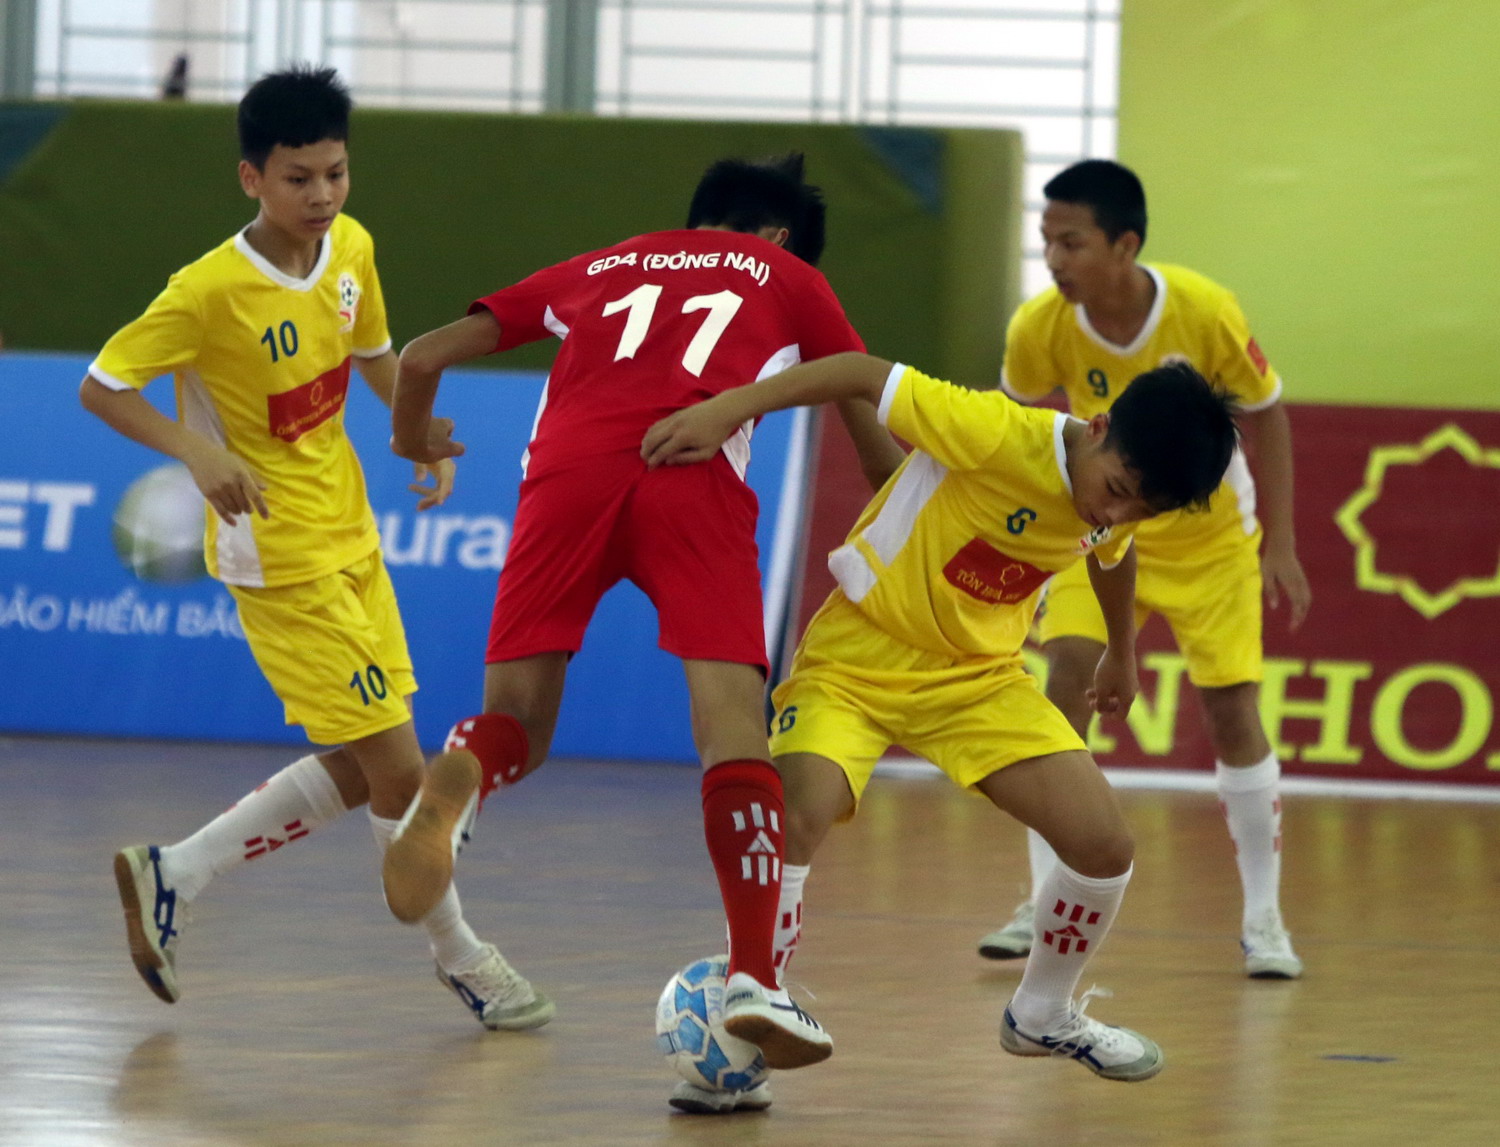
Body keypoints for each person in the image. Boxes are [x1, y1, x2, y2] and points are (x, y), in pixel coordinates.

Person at [383, 154, 892, 1111]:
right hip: (692, 470)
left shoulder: (603, 264)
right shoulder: (787, 275)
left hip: (564, 476)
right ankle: (754, 976)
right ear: (779, 238)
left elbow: (419, 357)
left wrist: (415, 437)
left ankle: (463, 771)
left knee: (519, 724)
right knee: (733, 733)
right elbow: (865, 414)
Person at [80, 65, 552, 1032]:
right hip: (277, 555)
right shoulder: (207, 291)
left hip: (352, 534)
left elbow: (372, 351)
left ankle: (177, 871)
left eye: (336, 173)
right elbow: (104, 385)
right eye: (299, 178)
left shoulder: (352, 247)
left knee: (372, 758)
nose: (322, 194)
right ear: (251, 178)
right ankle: (463, 958)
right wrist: (198, 450)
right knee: (404, 771)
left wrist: (416, 435)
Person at [641, 351, 1238, 1083]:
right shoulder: (992, 431)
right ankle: (756, 994)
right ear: (1098, 426)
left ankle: (1042, 1013)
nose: (1116, 513)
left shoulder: (1114, 501)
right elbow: (859, 373)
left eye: (1142, 508)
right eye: (1117, 490)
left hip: (978, 682)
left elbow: (1112, 552)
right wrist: (726, 410)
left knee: (1105, 845)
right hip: (859, 659)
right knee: (795, 814)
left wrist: (1122, 649)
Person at [978, 159, 1311, 979]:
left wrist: (1281, 542)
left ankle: (1264, 918)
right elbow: (1010, 429)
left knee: (1231, 711)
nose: (1054, 259)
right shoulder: (1039, 326)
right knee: (1063, 682)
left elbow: (1268, 413)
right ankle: (1043, 896)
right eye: (1046, 241)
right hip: (1095, 526)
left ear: (1124, 245)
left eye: (1071, 242)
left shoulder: (1203, 310)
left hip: (1208, 541)